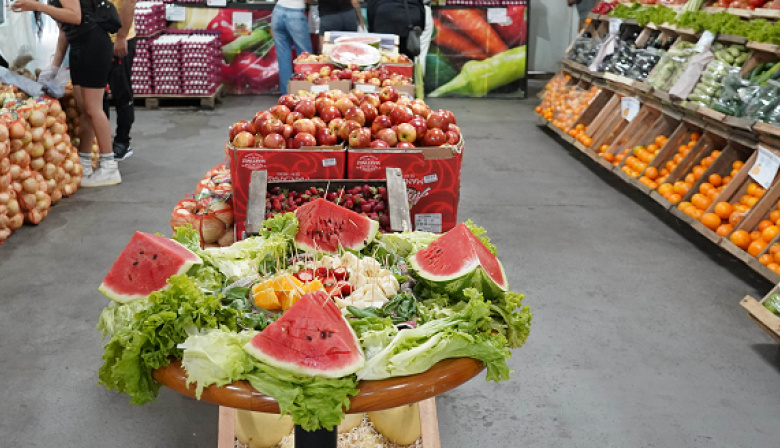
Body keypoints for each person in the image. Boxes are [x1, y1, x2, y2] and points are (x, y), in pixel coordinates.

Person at [12, 0, 120, 187]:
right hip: (80, 46)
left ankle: (109, 166)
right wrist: (54, 67)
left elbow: (75, 16)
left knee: (94, 108)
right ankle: (84, 162)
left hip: (93, 45)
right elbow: (64, 32)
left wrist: (38, 7)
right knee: (83, 108)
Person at [104, 0, 137, 161]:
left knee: (121, 91)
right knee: (97, 94)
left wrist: (121, 37)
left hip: (118, 40)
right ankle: (103, 141)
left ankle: (123, 141)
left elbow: (129, 3)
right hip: (96, 39)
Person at [272, 0, 313, 95]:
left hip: (277, 12)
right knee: (306, 58)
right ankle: (306, 93)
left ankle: (287, 95)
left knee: (283, 57)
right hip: (296, 13)